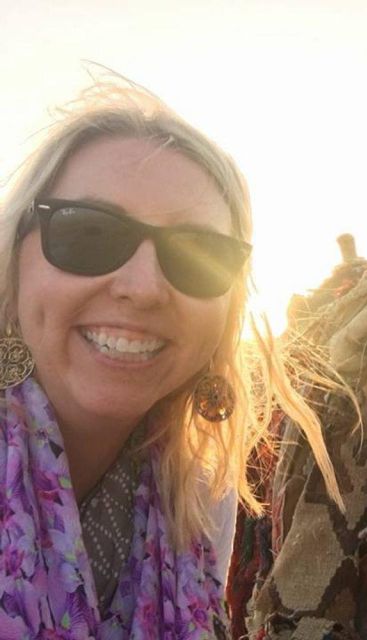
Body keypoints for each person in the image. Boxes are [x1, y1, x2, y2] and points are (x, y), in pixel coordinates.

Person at [0, 79, 341, 637]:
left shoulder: (198, 493)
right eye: (89, 232)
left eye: (198, 255)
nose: (144, 287)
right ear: (14, 260)